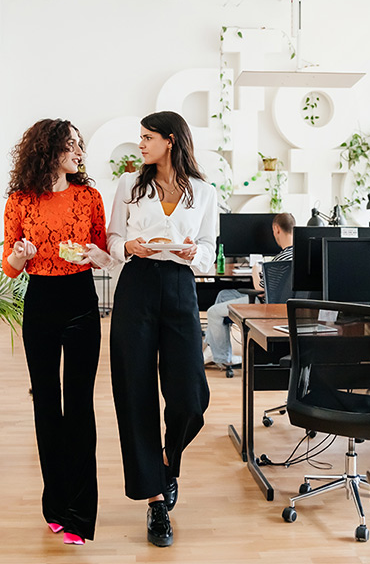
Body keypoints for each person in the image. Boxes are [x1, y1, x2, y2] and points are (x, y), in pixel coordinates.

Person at [107, 111, 216, 548]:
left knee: (191, 396)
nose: (141, 145)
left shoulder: (204, 192)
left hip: (179, 285)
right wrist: (127, 246)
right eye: (140, 138)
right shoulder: (129, 187)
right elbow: (114, 240)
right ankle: (155, 502)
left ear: (170, 141)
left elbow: (209, 247)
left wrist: (194, 255)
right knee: (134, 392)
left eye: (147, 138)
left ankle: (168, 459)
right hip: (136, 286)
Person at [2, 118, 111, 545]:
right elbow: (10, 267)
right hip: (41, 302)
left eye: (80, 145)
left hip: (82, 300)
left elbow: (104, 258)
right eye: (71, 146)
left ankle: (82, 516)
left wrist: (94, 253)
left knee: (79, 405)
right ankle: (56, 505)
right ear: (48, 150)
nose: (79, 152)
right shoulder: (19, 201)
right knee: (47, 404)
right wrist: (19, 253)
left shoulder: (89, 197)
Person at [204, 212, 295, 367]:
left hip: (265, 304)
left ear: (276, 229)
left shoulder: (280, 259)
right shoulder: (296, 254)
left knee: (213, 312)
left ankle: (223, 359)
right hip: (283, 303)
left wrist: (254, 270)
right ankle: (214, 347)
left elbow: (260, 289)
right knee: (223, 295)